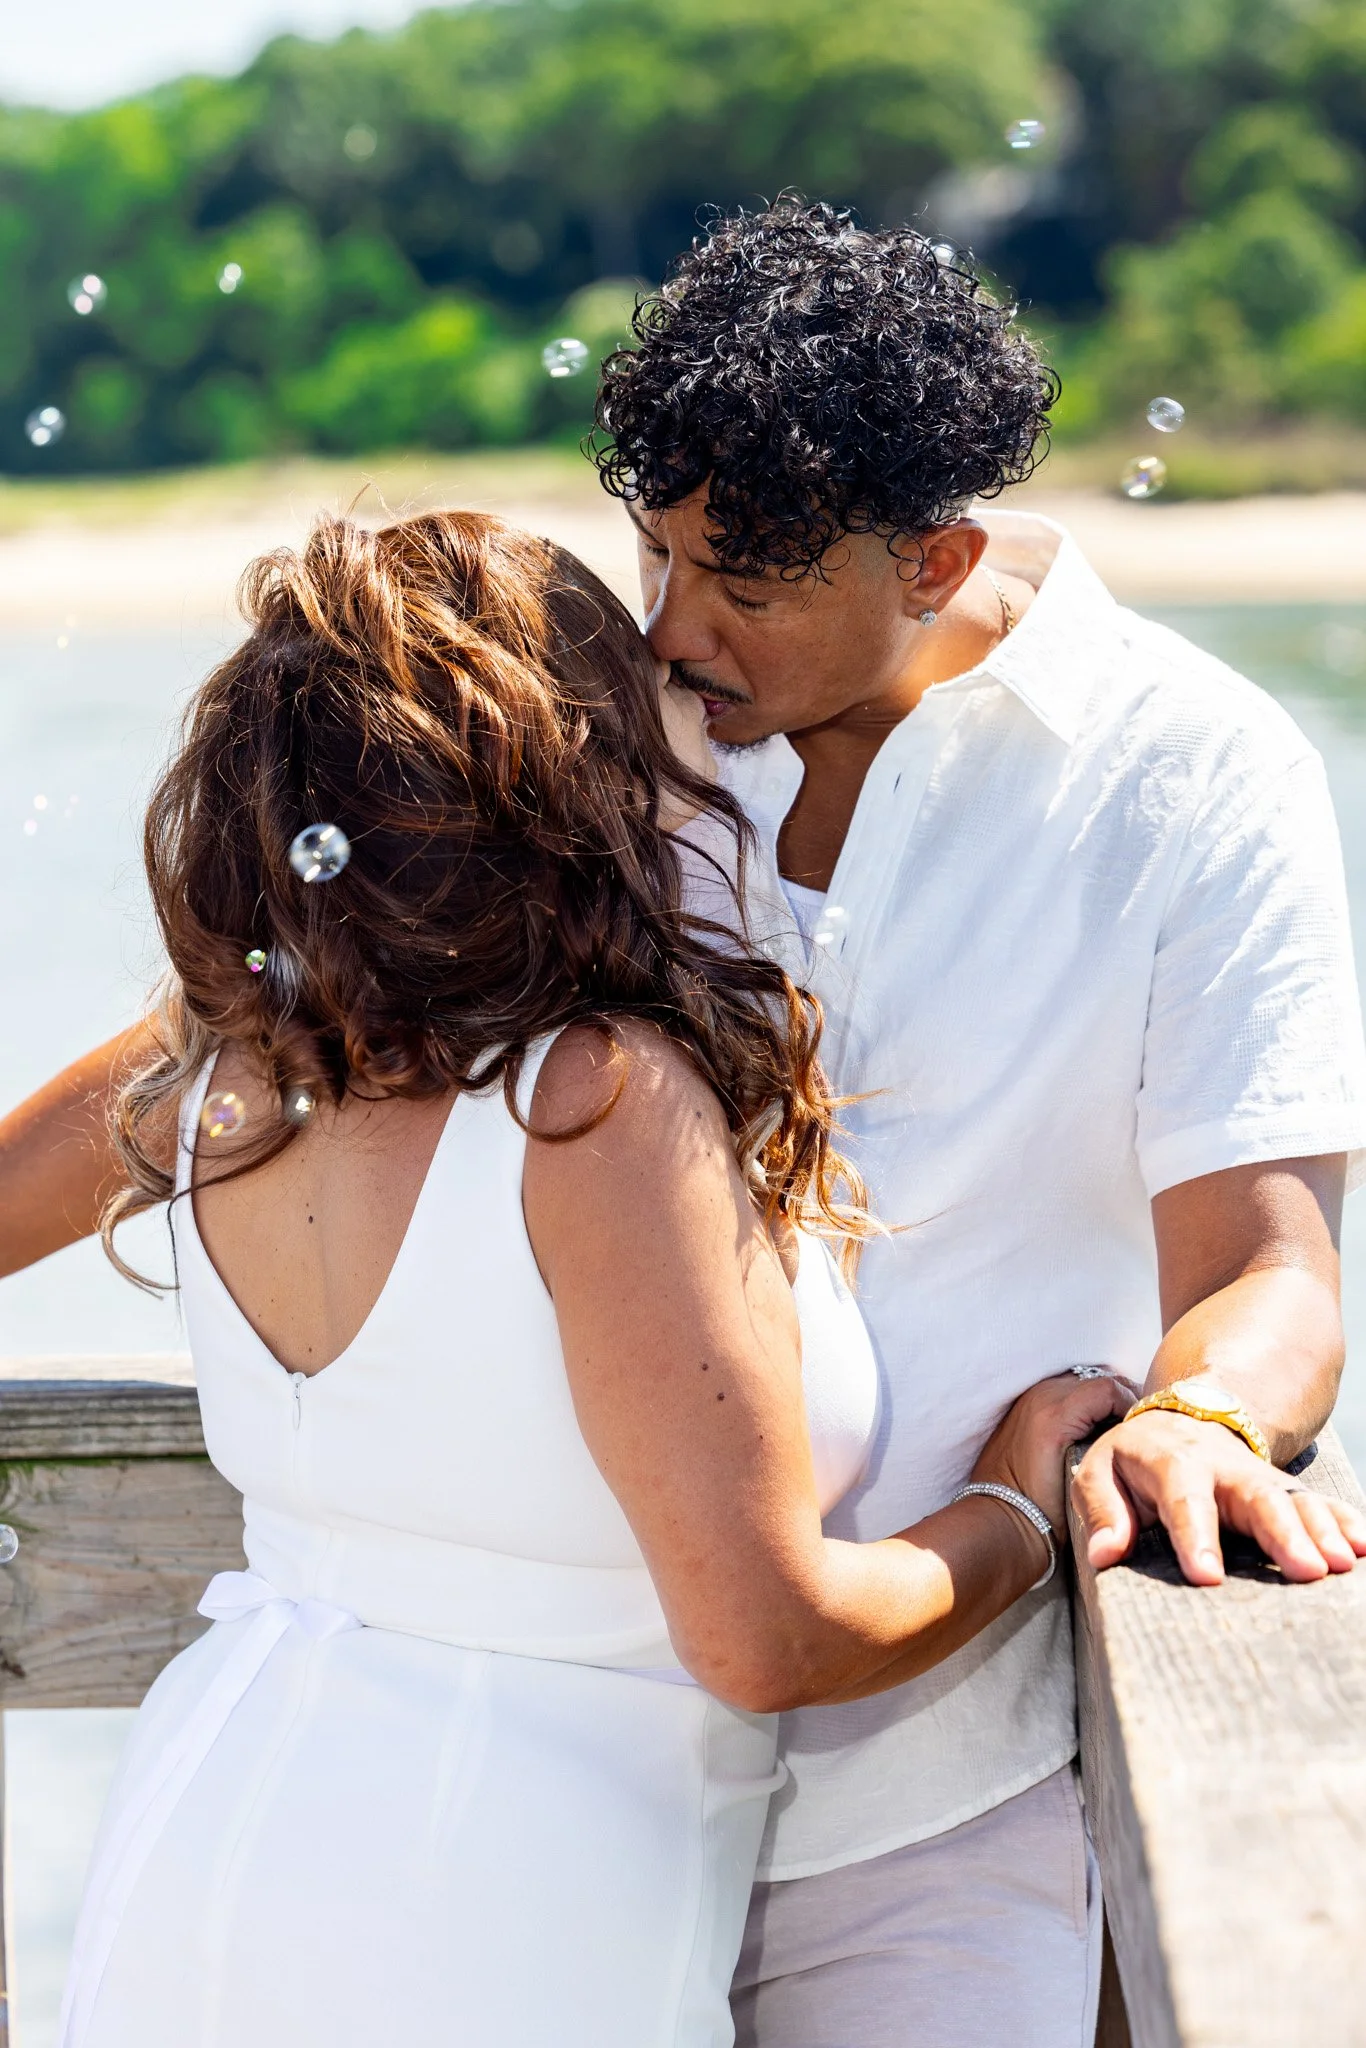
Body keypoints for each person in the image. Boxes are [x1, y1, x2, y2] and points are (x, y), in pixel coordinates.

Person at [4, 201, 1366, 2048]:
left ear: (935, 555)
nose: (671, 629)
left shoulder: (1190, 776)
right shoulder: (599, 731)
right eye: (653, 553)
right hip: (561, 1777)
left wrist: (1200, 1419)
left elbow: (1273, 1269)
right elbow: (263, 1012)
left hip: (937, 1793)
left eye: (744, 581)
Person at [30, 508, 1124, 2048]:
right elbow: (764, 1636)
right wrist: (1015, 1512)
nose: (700, 725)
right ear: (574, 778)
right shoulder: (593, 1102)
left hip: (202, 1843)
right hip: (482, 1918)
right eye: (660, 707)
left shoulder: (234, 1072)